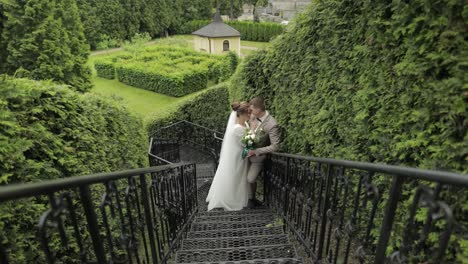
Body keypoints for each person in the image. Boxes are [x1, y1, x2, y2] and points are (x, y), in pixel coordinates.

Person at [206, 101, 251, 211]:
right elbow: (245, 144)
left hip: (240, 155)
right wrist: (252, 143)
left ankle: (238, 197)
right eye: (248, 113)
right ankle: (232, 199)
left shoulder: (244, 124)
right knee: (236, 177)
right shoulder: (237, 128)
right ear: (241, 114)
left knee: (239, 177)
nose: (250, 115)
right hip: (237, 157)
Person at [247, 97, 281, 208]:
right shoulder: (253, 117)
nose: (250, 112)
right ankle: (249, 198)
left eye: (252, 110)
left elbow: (275, 146)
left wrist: (257, 151)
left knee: (250, 179)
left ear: (258, 109)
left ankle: (252, 199)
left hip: (258, 157)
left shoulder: (272, 124)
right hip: (246, 154)